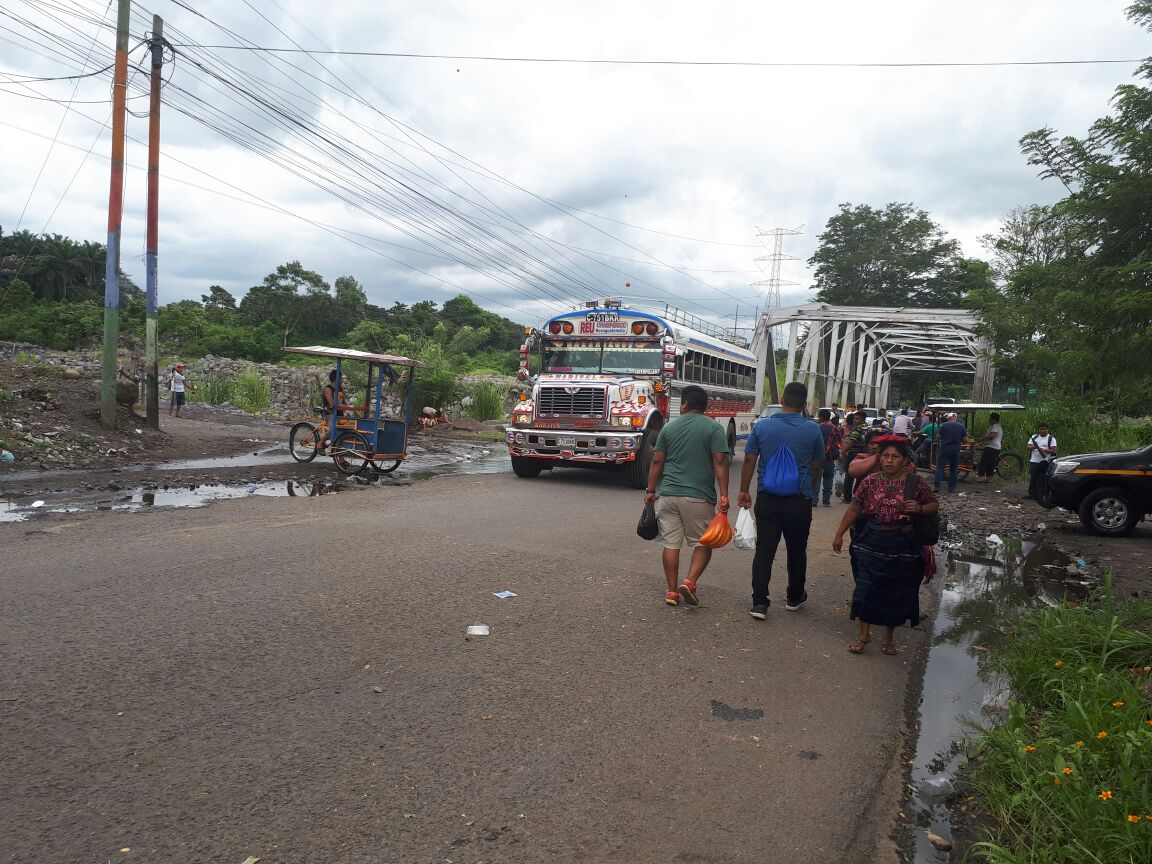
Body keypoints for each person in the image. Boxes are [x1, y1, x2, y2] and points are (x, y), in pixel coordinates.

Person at [833, 438, 939, 655]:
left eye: (895, 457)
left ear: (905, 460)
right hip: (871, 541)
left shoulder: (916, 483)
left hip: (903, 544)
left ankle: (888, 639)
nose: (889, 460)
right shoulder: (870, 482)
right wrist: (839, 534)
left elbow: (934, 504)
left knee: (895, 592)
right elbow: (855, 508)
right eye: (885, 456)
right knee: (865, 589)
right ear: (879, 458)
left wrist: (919, 509)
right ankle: (863, 635)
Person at [738, 381, 825, 619]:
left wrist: (744, 490)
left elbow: (749, 460)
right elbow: (816, 465)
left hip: (768, 498)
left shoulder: (762, 426)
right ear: (805, 405)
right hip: (799, 500)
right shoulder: (813, 430)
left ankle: (759, 603)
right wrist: (810, 491)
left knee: (764, 550)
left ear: (782, 401)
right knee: (797, 549)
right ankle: (794, 597)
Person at [644, 385, 730, 607]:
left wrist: (650, 491)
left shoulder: (669, 428)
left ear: (684, 404)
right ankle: (689, 582)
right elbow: (720, 462)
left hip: (669, 495)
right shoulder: (714, 428)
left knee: (670, 544)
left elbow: (657, 461)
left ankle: (672, 591)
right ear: (705, 406)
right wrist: (724, 494)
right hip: (699, 498)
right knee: (704, 542)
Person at [934, 412, 967, 493]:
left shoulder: (943, 425)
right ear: (956, 418)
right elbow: (965, 439)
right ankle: (951, 488)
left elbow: (938, 436)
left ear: (948, 418)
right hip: (956, 449)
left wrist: (945, 437)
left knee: (940, 467)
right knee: (954, 469)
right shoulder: (961, 426)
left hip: (945, 448)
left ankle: (937, 486)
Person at [1024, 422, 1058, 500]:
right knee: (1033, 477)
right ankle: (1032, 494)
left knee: (1044, 478)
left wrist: (1043, 450)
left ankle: (1043, 494)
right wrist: (1034, 447)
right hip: (1034, 461)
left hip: (1045, 462)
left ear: (1048, 430)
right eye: (1041, 429)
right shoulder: (1034, 437)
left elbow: (1053, 450)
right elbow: (1028, 447)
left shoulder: (1051, 439)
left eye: (1044, 429)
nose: (1042, 431)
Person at [841, 411, 869, 502]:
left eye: (857, 419)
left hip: (854, 454)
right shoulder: (867, 427)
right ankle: (860, 497)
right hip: (864, 454)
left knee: (849, 476)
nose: (854, 420)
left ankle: (847, 498)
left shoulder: (857, 429)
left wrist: (842, 452)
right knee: (861, 476)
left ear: (862, 420)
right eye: (854, 419)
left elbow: (851, 443)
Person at [816, 408, 841, 507]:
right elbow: (839, 442)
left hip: (817, 457)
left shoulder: (817, 427)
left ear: (821, 417)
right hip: (830, 457)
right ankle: (826, 500)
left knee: (817, 478)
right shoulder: (835, 428)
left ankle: (814, 500)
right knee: (828, 478)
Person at [974, 412, 1003, 483]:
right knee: (991, 463)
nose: (989, 420)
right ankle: (990, 477)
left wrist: (982, 438)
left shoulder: (995, 426)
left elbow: (992, 436)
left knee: (984, 462)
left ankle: (981, 476)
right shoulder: (996, 426)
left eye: (990, 419)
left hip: (992, 447)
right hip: (995, 447)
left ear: (993, 419)